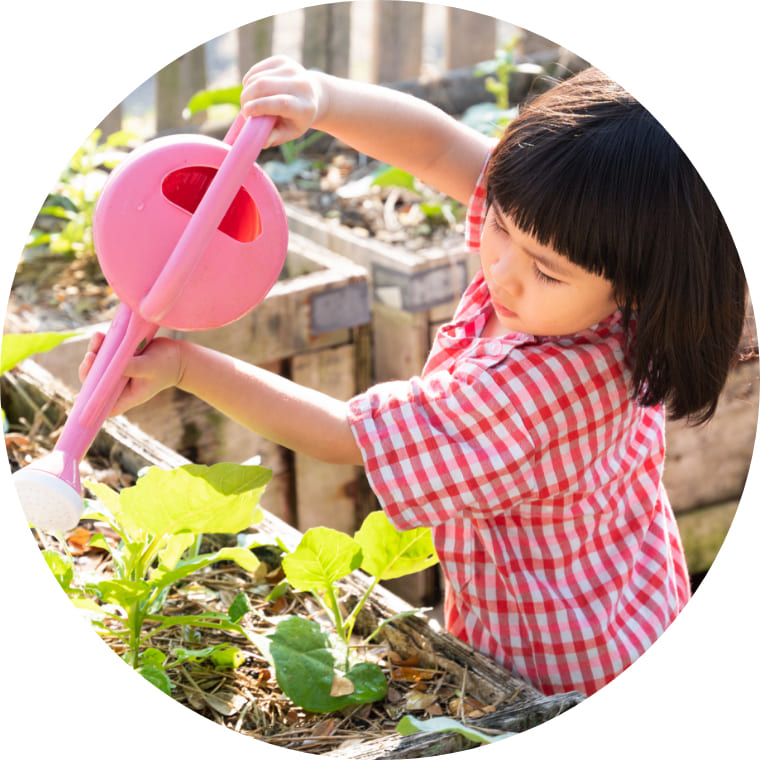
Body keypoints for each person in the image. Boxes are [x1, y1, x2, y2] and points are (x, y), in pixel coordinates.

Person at [80, 56, 747, 697]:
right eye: (501, 226)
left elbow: (344, 436)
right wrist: (321, 99)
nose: (502, 266)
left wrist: (188, 366)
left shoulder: (539, 387)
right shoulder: (581, 230)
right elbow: (436, 148)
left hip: (566, 661)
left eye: (545, 269)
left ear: (637, 288)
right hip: (628, 590)